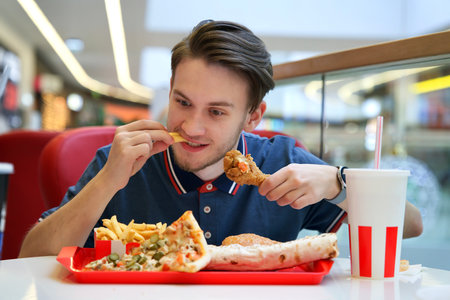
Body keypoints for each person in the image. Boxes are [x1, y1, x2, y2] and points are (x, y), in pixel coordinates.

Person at [19, 20, 423, 257]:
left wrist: (338, 182)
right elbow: (30, 256)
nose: (192, 127)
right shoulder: (120, 162)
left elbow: (411, 224)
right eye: (182, 101)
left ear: (253, 116)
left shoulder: (282, 162)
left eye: (216, 112)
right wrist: (108, 181)